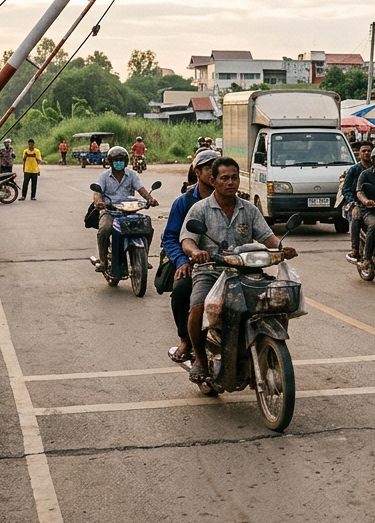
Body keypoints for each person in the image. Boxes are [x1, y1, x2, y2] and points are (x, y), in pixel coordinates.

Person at [180, 156, 296, 383]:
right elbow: (187, 240)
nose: (230, 182)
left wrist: (282, 248)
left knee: (275, 303)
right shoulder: (200, 209)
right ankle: (200, 360)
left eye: (234, 177)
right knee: (198, 307)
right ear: (213, 180)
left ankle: (263, 352)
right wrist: (196, 252)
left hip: (247, 271)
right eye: (224, 178)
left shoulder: (249, 209)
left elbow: (267, 236)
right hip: (211, 270)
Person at [162, 148, 217, 364]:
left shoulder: (231, 199)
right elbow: (170, 237)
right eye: (208, 168)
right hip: (194, 262)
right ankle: (185, 339)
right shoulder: (183, 203)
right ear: (197, 172)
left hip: (226, 262)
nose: (212, 173)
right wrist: (182, 261)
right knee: (181, 291)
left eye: (216, 168)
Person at [91, 146, 159, 275]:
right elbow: (97, 192)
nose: (119, 162)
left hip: (129, 211)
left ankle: (144, 257)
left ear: (126, 161)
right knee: (104, 230)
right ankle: (103, 261)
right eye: (116, 160)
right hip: (110, 212)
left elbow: (141, 189)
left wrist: (150, 199)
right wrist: (98, 202)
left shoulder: (132, 175)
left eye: (121, 160)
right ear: (110, 162)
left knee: (147, 227)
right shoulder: (104, 176)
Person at [342, 141, 374, 261]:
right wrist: (354, 204)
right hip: (356, 204)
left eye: (369, 151)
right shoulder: (354, 170)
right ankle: (354, 249)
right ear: (359, 154)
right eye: (364, 151)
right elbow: (345, 189)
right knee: (356, 217)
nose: (366, 153)